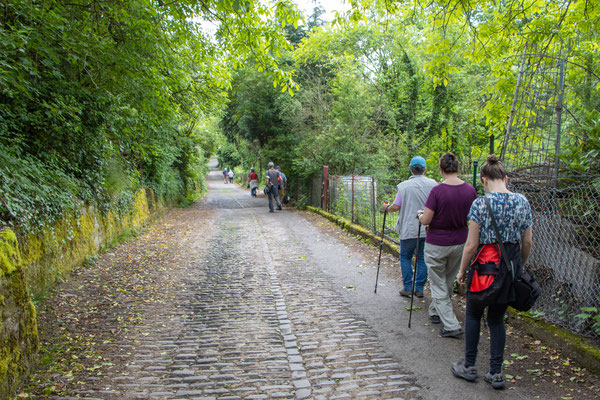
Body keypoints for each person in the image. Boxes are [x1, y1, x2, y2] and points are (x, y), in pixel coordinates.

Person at [452, 155, 533, 390]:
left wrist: (461, 272)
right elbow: (527, 243)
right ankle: (496, 372)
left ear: (484, 180)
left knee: (474, 313)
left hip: (483, 271)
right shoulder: (522, 202)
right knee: (497, 318)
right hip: (508, 272)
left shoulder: (480, 204)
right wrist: (520, 266)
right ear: (506, 178)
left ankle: (469, 366)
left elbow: (471, 245)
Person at [417, 152, 477, 338]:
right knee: (447, 280)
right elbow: (471, 216)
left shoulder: (437, 191)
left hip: (437, 242)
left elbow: (426, 219)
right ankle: (435, 312)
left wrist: (419, 216)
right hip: (460, 240)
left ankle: (451, 325)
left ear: (441, 169)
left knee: (437, 283)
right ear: (458, 168)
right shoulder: (470, 190)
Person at [381, 156, 437, 298]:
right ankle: (419, 288)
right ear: (425, 169)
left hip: (408, 228)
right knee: (422, 258)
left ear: (411, 169)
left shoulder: (404, 186)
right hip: (427, 228)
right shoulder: (434, 184)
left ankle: (407, 287)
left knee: (405, 257)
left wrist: (386, 208)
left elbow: (396, 206)